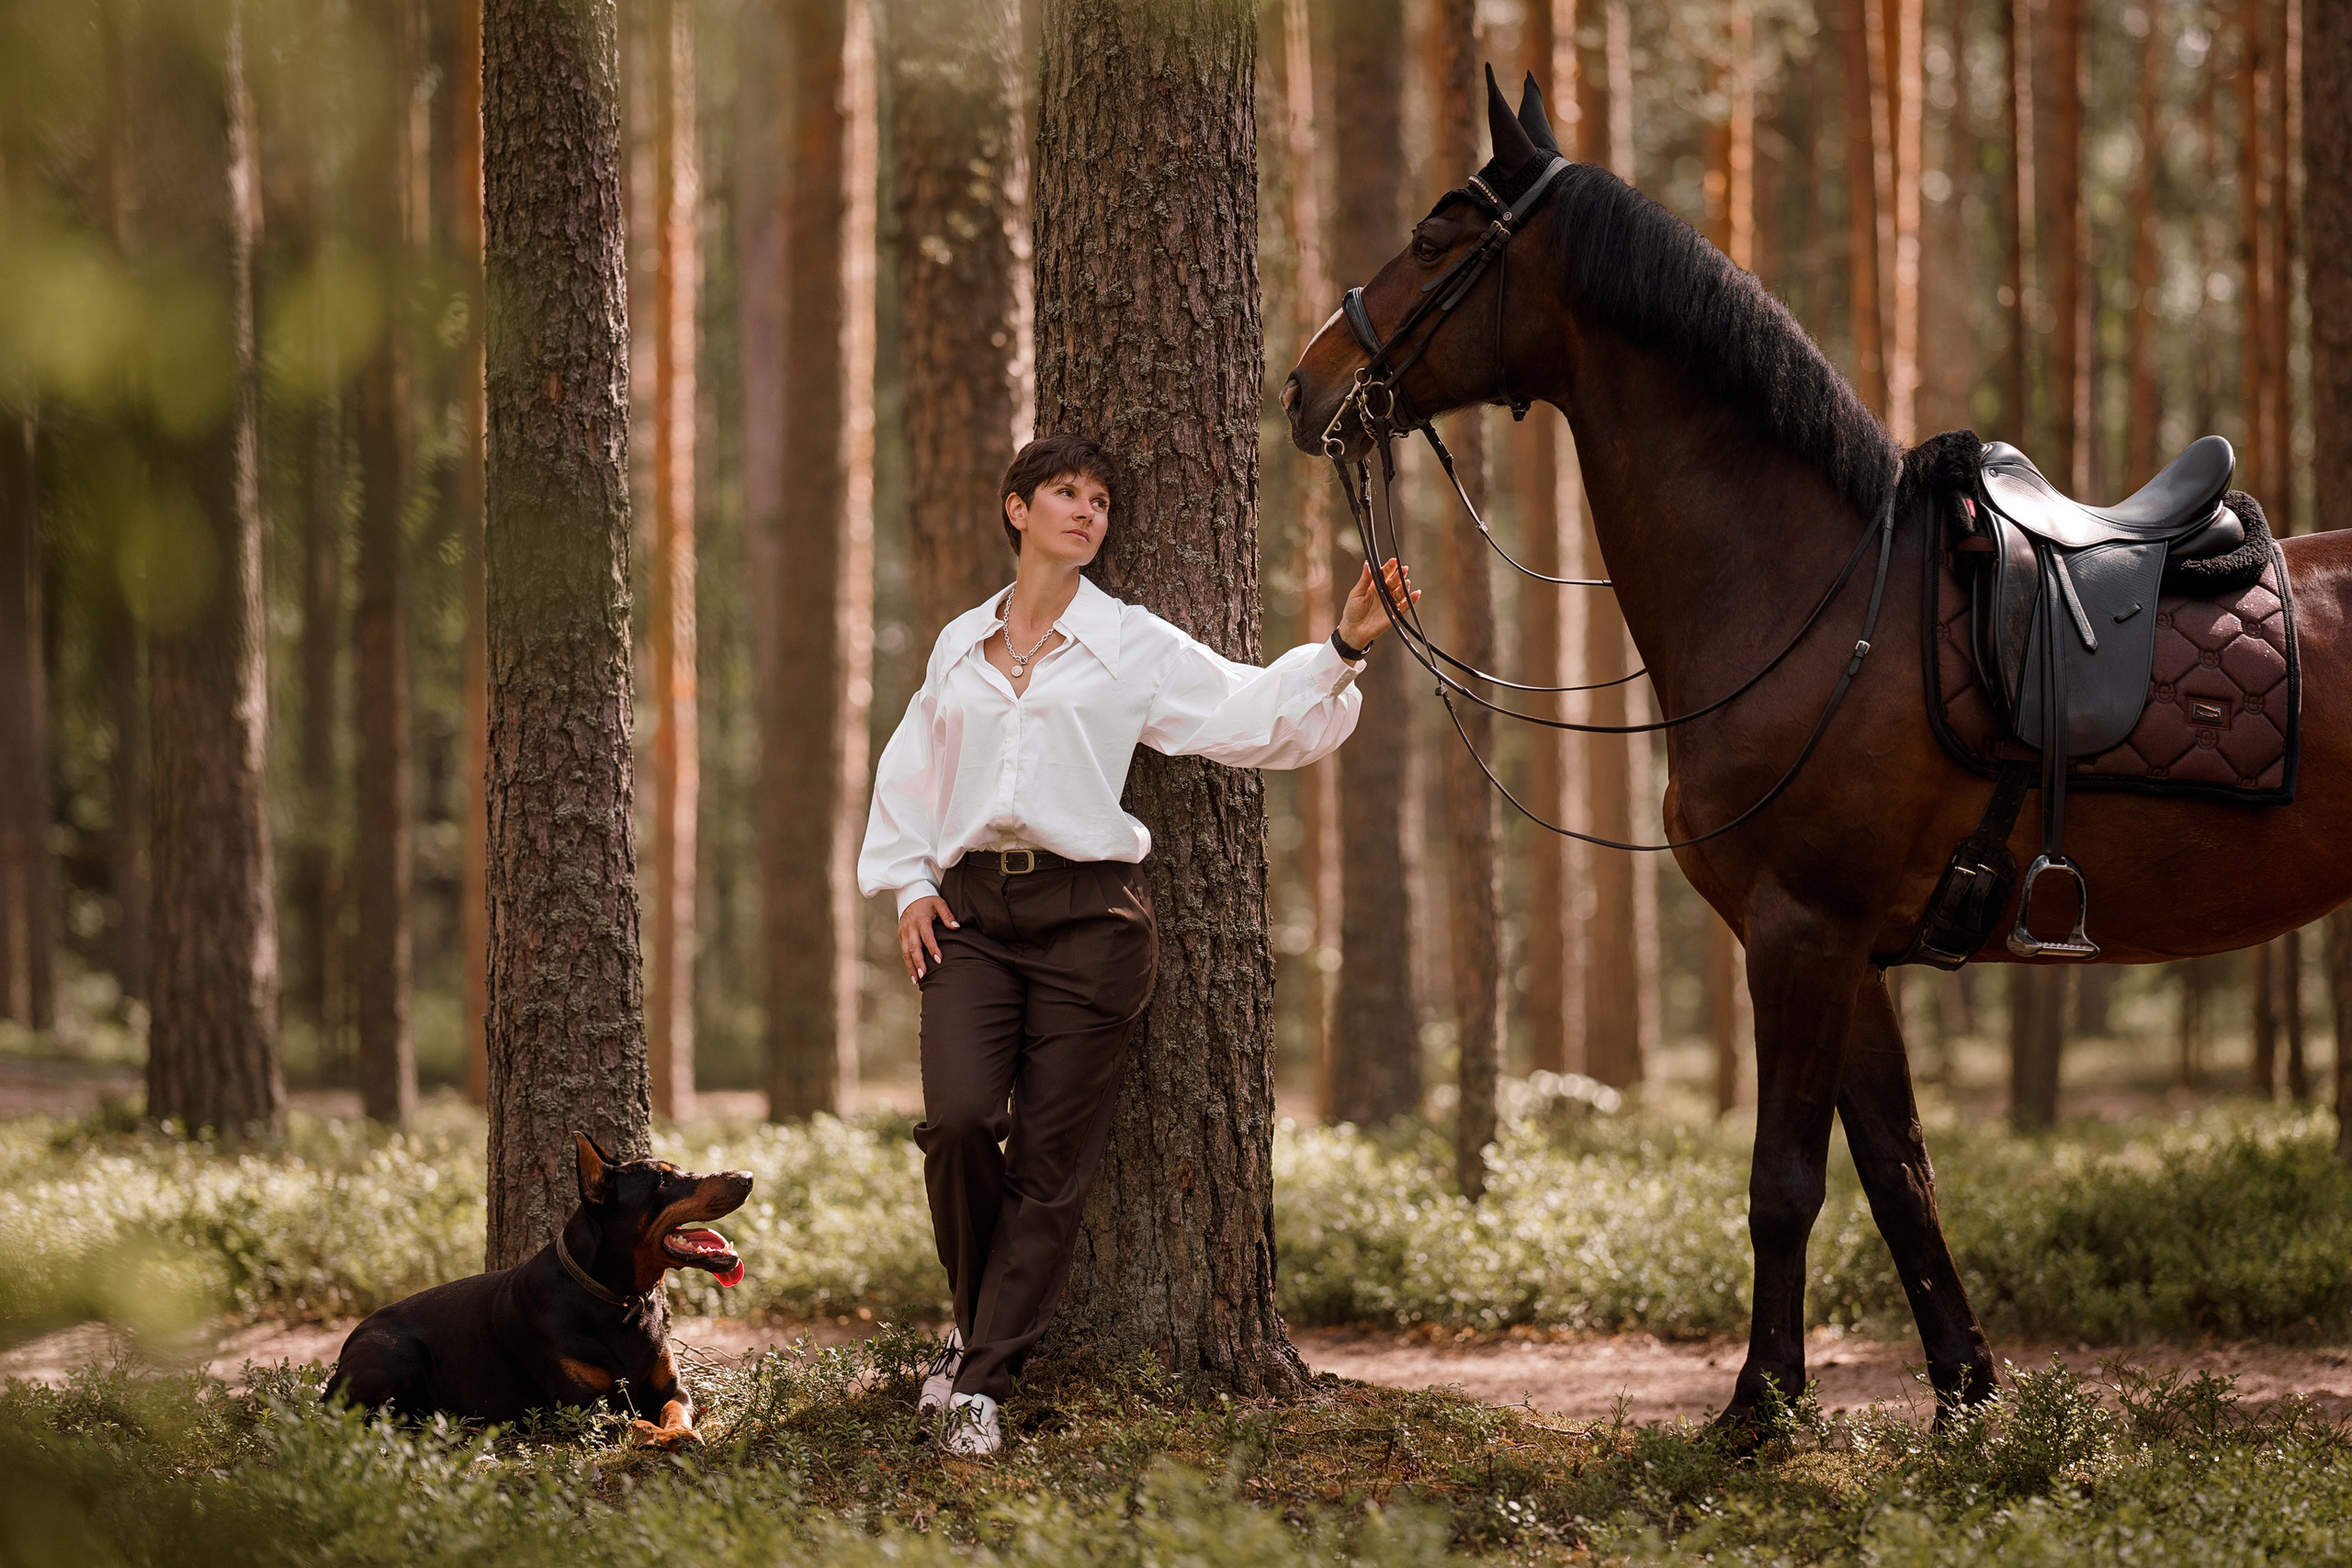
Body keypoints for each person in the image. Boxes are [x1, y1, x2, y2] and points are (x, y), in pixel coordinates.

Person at [857, 432, 1417, 1456]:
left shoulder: (1131, 642)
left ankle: (977, 1381)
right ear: (1015, 508)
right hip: (972, 916)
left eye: (1101, 500)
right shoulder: (956, 643)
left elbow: (1244, 711)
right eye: (1064, 493)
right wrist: (906, 885)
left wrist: (1341, 649)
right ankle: (977, 1322)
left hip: (1090, 927)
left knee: (1048, 1165)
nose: (1086, 512)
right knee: (957, 1123)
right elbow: (912, 771)